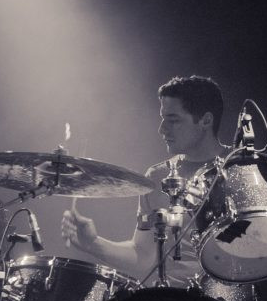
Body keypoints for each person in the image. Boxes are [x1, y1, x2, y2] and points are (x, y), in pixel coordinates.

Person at [61, 75, 229, 286]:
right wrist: (93, 243)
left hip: (229, 300)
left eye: (173, 120)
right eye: (162, 118)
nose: (162, 129)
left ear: (205, 120)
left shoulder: (243, 170)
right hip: (168, 300)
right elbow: (143, 256)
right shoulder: (157, 176)